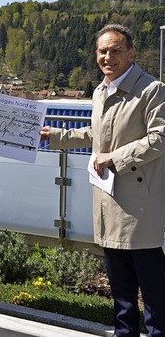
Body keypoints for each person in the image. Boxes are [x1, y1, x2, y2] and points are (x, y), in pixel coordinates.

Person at [40, 24, 165, 337]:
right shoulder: (100, 91)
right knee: (121, 289)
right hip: (108, 198)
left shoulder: (151, 90)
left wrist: (115, 158)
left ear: (132, 54)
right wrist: (55, 136)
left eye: (115, 50)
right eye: (102, 51)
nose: (108, 57)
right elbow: (97, 135)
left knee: (153, 291)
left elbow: (161, 137)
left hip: (140, 205)